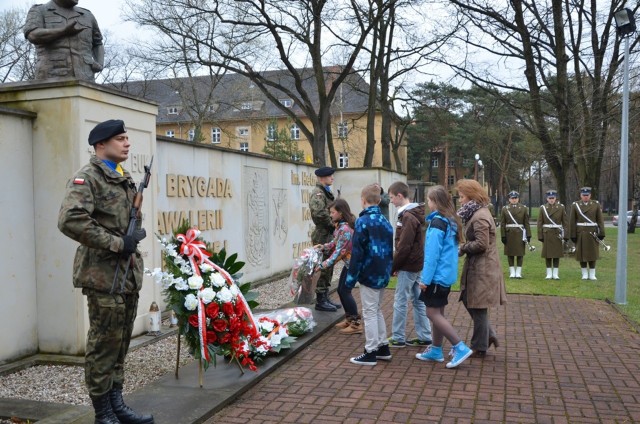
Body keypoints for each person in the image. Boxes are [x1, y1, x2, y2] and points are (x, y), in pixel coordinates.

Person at [58, 120, 154, 424]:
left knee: (121, 343)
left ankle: (117, 405)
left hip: (127, 276)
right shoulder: (88, 178)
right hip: (103, 276)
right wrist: (117, 242)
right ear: (101, 144)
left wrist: (133, 235)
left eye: (127, 138)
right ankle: (103, 413)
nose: (127, 143)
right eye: (120, 139)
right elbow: (70, 220)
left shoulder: (123, 179)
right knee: (104, 345)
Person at [415, 186, 472, 368]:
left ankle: (459, 346)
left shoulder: (438, 223)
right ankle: (436, 349)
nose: (428, 203)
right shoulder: (450, 221)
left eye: (429, 200)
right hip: (445, 275)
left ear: (435, 202)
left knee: (431, 312)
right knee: (438, 312)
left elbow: (432, 256)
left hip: (437, 276)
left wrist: (425, 279)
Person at [456, 179, 507, 358]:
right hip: (478, 266)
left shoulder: (480, 216)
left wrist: (462, 248)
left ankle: (479, 346)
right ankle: (489, 335)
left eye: (462, 197)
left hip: (483, 269)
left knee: (478, 306)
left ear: (471, 196)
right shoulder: (477, 213)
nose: (460, 200)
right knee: (469, 300)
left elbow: (481, 244)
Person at [345, 183, 394, 366]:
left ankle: (371, 351)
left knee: (370, 312)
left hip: (369, 272)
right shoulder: (385, 222)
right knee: (376, 309)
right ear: (380, 200)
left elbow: (357, 253)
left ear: (363, 201)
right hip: (382, 272)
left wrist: (350, 279)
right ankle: (383, 347)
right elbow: (390, 250)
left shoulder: (363, 222)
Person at [387, 181, 432, 348]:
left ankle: (398, 337)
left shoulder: (407, 216)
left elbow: (404, 246)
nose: (390, 201)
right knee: (418, 301)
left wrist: (394, 266)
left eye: (392, 197)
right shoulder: (414, 213)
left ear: (400, 196)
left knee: (400, 301)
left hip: (408, 264)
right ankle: (425, 335)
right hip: (417, 263)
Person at [24, 0, 104, 81]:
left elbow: (98, 43)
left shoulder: (87, 15)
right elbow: (32, 35)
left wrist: (100, 63)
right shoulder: (40, 10)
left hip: (86, 78)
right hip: (51, 77)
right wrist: (63, 31)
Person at [315, 199, 361, 334]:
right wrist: (322, 247)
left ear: (341, 213)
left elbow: (337, 252)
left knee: (345, 291)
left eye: (332, 212)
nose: (330, 215)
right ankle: (350, 319)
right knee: (341, 290)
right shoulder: (341, 227)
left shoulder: (345, 229)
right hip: (349, 264)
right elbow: (334, 243)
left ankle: (356, 324)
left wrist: (322, 265)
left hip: (352, 264)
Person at [309, 166, 341, 312]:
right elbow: (319, 214)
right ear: (322, 178)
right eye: (329, 176)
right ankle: (320, 300)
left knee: (329, 266)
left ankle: (325, 296)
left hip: (328, 234)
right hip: (323, 235)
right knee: (323, 267)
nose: (332, 178)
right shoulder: (318, 194)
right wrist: (333, 225)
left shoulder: (325, 192)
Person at [569, 187, 605, 280]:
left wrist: (602, 233)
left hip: (592, 233)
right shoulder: (575, 205)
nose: (585, 197)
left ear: (590, 195)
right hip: (581, 233)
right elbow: (572, 221)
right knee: (582, 254)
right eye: (583, 195)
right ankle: (584, 273)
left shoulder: (595, 204)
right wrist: (572, 235)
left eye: (587, 195)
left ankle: (592, 273)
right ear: (581, 195)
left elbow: (600, 220)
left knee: (593, 254)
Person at [537, 190, 568, 280]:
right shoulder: (543, 208)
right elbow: (540, 222)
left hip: (557, 233)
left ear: (555, 198)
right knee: (548, 254)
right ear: (547, 198)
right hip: (547, 234)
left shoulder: (561, 207)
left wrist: (565, 235)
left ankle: (555, 273)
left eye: (553, 198)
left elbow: (565, 222)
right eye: (549, 198)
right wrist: (540, 235)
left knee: (556, 254)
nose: (551, 200)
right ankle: (549, 273)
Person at [500, 190, 531, 278]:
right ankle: (512, 272)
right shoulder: (505, 209)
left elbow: (526, 223)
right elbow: (502, 224)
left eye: (515, 198)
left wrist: (528, 234)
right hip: (509, 234)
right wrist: (503, 235)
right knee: (510, 253)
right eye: (512, 198)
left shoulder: (524, 208)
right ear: (509, 199)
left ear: (518, 199)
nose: (514, 200)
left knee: (520, 253)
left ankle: (518, 272)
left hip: (520, 233)